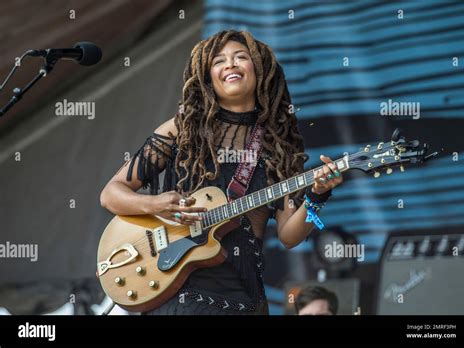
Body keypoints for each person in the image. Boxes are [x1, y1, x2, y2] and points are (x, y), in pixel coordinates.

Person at [100, 30, 343, 315]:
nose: (230, 64)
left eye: (241, 57)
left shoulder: (279, 148)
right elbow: (111, 194)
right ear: (207, 77)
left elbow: (290, 236)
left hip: (243, 292)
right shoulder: (181, 130)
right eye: (219, 61)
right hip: (180, 289)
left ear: (259, 70)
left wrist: (317, 196)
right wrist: (155, 205)